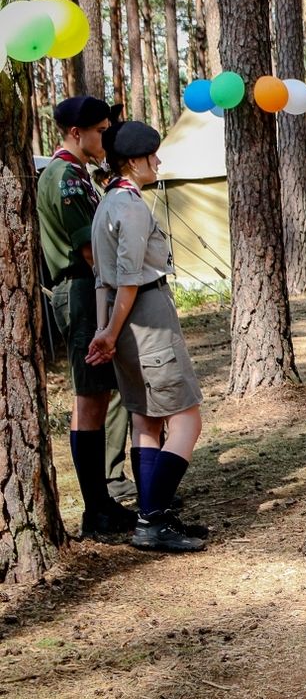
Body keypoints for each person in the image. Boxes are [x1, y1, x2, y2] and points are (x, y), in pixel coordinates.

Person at [86, 121, 205, 552]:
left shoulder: (106, 203)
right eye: (153, 155)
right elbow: (130, 280)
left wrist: (104, 331)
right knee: (187, 419)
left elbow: (103, 279)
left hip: (123, 321)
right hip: (146, 317)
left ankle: (154, 513)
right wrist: (111, 333)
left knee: (146, 420)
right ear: (134, 161)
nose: (159, 161)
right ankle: (152, 518)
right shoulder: (131, 206)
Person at [37, 96, 136, 537]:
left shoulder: (79, 174)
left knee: (97, 397)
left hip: (89, 290)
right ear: (76, 133)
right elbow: (92, 251)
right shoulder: (66, 177)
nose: (106, 136)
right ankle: (96, 507)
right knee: (90, 400)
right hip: (81, 291)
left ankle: (101, 501)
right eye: (100, 130)